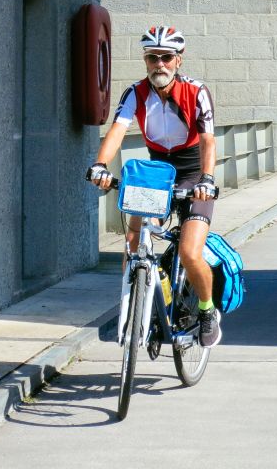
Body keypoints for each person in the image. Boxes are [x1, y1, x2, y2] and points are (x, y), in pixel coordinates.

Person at [87, 25, 221, 348]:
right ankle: (132, 308)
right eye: (152, 58)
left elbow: (208, 141)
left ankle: (206, 311)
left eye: (166, 58)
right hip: (157, 171)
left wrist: (207, 179)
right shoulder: (135, 93)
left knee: (190, 253)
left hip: (192, 173)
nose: (159, 64)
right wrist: (100, 166)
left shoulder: (196, 92)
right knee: (135, 240)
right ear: (145, 60)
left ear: (178, 60)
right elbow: (117, 131)